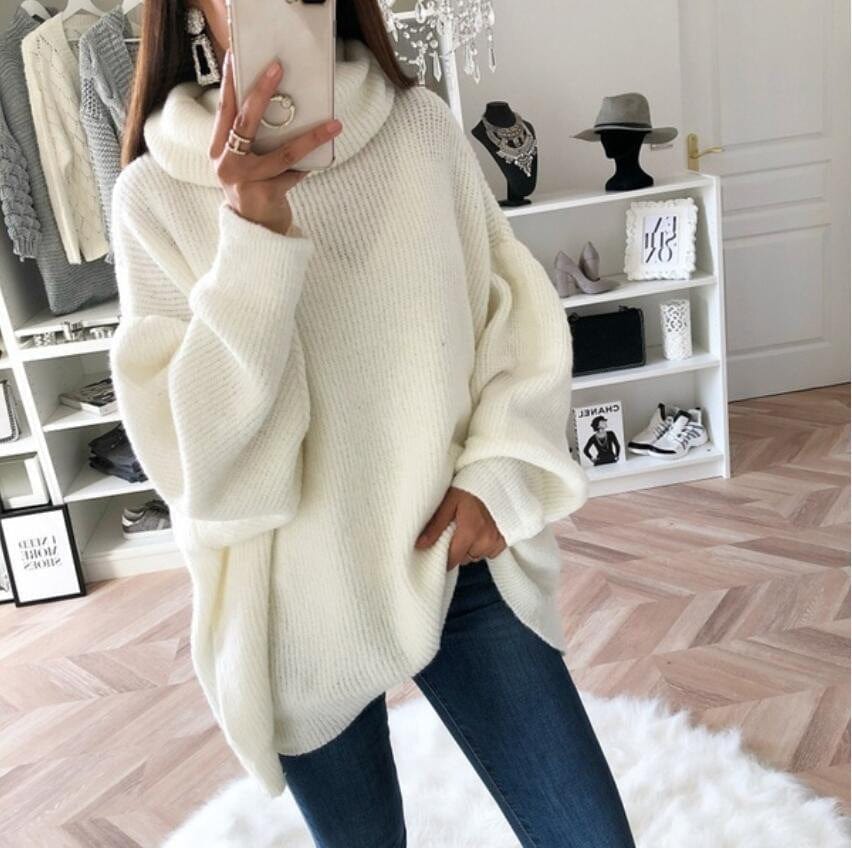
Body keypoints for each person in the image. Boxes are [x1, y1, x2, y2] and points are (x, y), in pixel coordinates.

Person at [109, 1, 636, 845]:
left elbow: (513, 316)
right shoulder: (154, 195)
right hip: (295, 610)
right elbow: (207, 469)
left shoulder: (419, 130)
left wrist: (498, 472)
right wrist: (251, 237)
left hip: (455, 561)